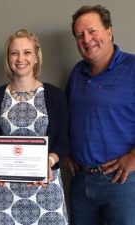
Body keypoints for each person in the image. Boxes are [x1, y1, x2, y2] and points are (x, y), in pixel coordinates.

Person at [0, 29, 69, 225]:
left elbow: (64, 142)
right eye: (14, 53)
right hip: (6, 193)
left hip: (47, 192)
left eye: (27, 52)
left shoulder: (54, 96)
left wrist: (47, 162)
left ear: (36, 57)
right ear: (8, 58)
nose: (20, 58)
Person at [65, 4, 135, 225]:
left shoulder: (133, 68)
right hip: (81, 181)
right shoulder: (77, 72)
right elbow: (66, 117)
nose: (87, 39)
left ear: (109, 31)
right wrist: (64, 150)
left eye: (92, 30)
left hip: (121, 183)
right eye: (79, 35)